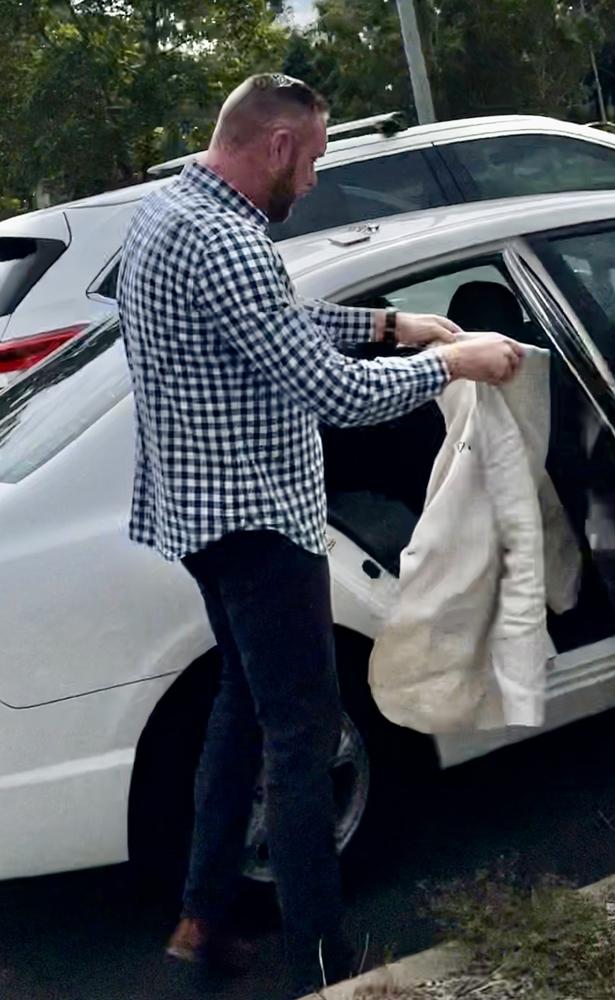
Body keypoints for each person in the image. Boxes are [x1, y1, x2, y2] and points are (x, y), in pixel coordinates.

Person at [117, 72, 523, 998]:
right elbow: (334, 393)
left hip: (203, 519)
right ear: (278, 147)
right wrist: (450, 359)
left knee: (240, 718)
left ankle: (198, 923)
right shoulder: (228, 239)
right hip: (260, 523)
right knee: (300, 738)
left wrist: (388, 321)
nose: (311, 185)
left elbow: (272, 326)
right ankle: (327, 959)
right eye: (314, 164)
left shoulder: (170, 212)